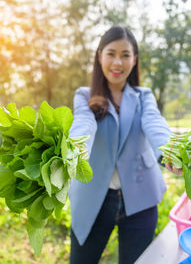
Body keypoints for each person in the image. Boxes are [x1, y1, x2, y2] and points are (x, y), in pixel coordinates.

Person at [69, 25, 180, 264]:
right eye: (111, 53)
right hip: (93, 197)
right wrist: (75, 149)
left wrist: (169, 151)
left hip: (140, 197)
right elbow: (83, 123)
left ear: (135, 60)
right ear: (99, 56)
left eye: (125, 55)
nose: (117, 62)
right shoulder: (84, 95)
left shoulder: (144, 96)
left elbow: (154, 123)